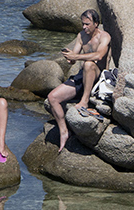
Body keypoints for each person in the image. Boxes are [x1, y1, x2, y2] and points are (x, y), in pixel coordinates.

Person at [47, 9, 112, 152]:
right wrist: (70, 57)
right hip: (82, 76)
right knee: (52, 97)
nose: (84, 27)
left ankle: (85, 100)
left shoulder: (104, 37)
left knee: (89, 64)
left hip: (98, 78)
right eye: (83, 24)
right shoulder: (81, 36)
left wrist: (77, 58)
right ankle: (64, 131)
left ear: (96, 23)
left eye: (87, 24)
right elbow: (74, 57)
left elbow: (99, 56)